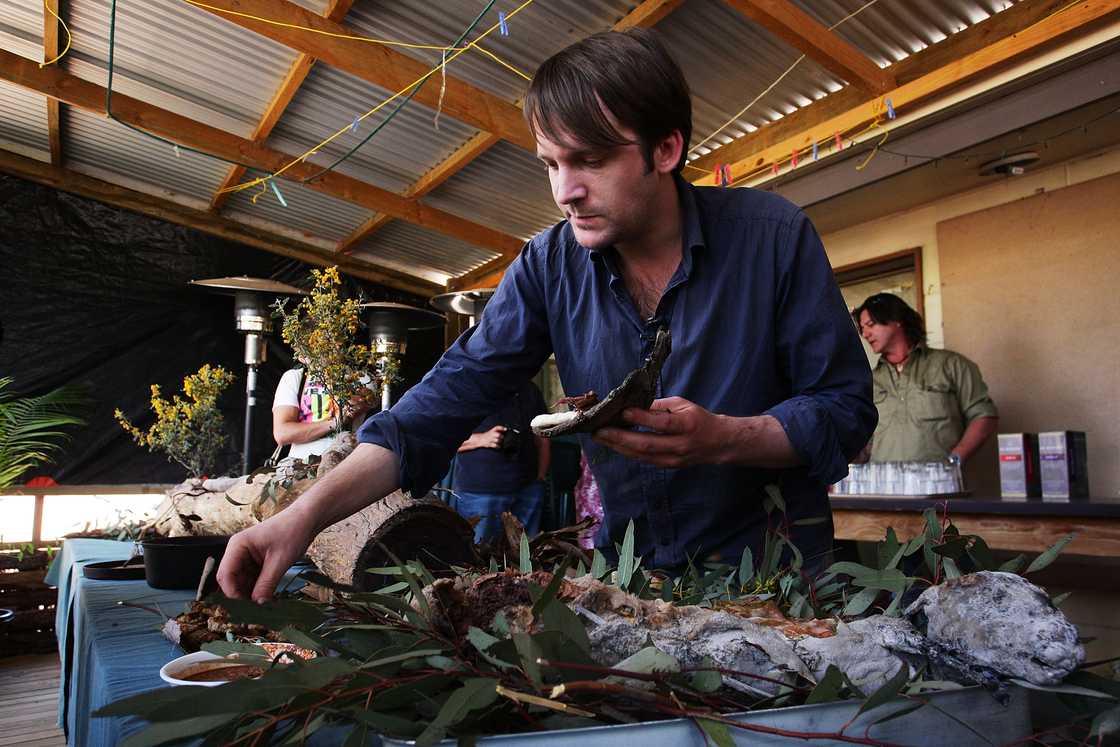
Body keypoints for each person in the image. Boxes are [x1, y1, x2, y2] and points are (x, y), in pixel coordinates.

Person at [219, 29, 875, 601]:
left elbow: (847, 412)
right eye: (552, 164)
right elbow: (439, 404)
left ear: (666, 149)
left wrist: (727, 437)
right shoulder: (546, 266)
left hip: (780, 584)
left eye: (590, 160)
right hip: (635, 586)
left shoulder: (774, 238)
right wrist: (301, 517)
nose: (565, 191)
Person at [853, 293, 998, 465]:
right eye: (862, 329)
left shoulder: (951, 365)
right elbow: (865, 440)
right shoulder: (870, 380)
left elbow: (983, 415)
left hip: (938, 487)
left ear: (896, 319)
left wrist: (955, 460)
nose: (865, 334)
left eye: (870, 325)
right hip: (883, 488)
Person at [452, 380, 551, 541]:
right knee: (479, 556)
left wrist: (539, 479)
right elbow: (440, 438)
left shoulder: (530, 389)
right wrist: (481, 439)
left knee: (529, 558)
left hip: (527, 489)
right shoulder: (467, 386)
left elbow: (542, 437)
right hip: (481, 493)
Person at [271, 366, 373, 464]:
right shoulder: (294, 376)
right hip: (299, 466)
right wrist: (333, 423)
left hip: (346, 463)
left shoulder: (362, 377)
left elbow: (353, 407)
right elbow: (283, 433)